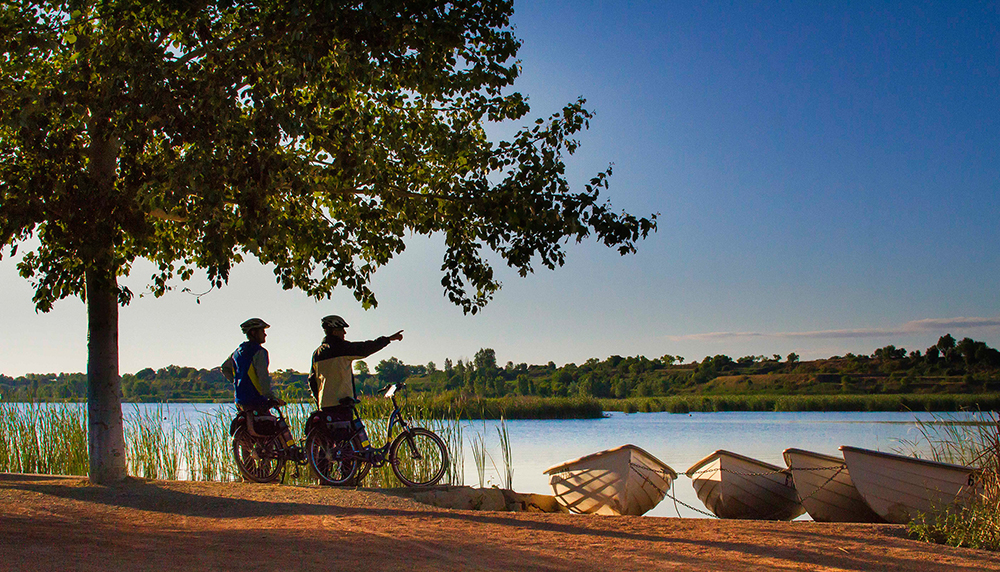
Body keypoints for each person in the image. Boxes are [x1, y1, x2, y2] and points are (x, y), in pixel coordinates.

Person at [308, 315, 403, 448]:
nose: (344, 332)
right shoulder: (341, 348)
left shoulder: (316, 354)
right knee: (349, 445)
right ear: (335, 331)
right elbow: (365, 348)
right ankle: (349, 468)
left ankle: (322, 469)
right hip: (342, 403)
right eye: (342, 329)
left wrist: (319, 401)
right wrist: (388, 339)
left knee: (328, 444)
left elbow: (312, 380)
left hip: (325, 406)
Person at [222, 318, 294, 449]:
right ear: (254, 333)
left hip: (241, 401)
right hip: (257, 399)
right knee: (268, 434)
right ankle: (266, 468)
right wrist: (271, 397)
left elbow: (225, 368)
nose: (265, 334)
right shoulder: (260, 352)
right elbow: (263, 378)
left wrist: (238, 381)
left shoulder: (237, 352)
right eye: (262, 331)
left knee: (247, 436)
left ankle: (247, 468)